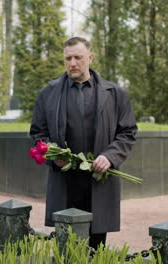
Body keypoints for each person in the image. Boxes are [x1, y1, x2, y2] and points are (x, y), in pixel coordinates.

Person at [30, 37, 137, 249]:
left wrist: (110, 156)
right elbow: (38, 132)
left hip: (99, 180)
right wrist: (54, 156)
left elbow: (128, 132)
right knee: (67, 249)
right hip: (65, 182)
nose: (72, 63)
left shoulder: (115, 94)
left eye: (78, 57)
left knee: (96, 248)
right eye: (68, 58)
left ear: (90, 57)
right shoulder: (48, 94)